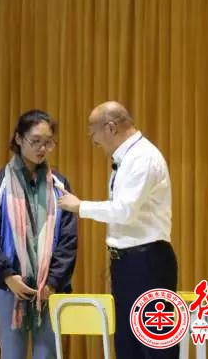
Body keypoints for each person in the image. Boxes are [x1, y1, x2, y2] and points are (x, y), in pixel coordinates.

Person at [56, 101, 178, 359]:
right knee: (127, 345)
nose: (93, 140)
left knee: (155, 345)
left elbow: (124, 211)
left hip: (146, 262)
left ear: (110, 128)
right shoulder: (128, 158)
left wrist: (80, 206)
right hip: (129, 262)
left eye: (93, 132)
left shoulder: (142, 157)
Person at [0, 109, 78, 359]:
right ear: (18, 139)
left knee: (47, 355)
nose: (42, 149)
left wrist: (52, 282)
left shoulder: (59, 185)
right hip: (10, 287)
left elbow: (68, 239)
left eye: (48, 142)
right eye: (35, 141)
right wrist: (7, 275)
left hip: (51, 289)